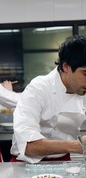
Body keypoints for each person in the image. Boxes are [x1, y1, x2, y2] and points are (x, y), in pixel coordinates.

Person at [11, 35, 86, 163]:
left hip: (62, 159)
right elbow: (29, 145)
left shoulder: (81, 88)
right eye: (85, 73)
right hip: (27, 162)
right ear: (66, 67)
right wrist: (78, 145)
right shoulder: (39, 88)